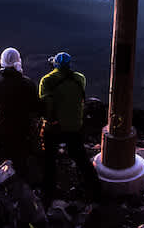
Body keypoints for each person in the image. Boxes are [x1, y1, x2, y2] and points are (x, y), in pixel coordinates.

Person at [38, 51, 101, 206]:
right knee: (80, 157)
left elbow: (45, 106)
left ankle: (48, 192)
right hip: (75, 127)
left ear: (55, 65)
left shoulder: (46, 81)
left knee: (49, 159)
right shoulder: (80, 78)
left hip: (54, 128)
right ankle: (96, 189)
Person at [0, 47, 39, 179]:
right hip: (23, 130)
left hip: (1, 129)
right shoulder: (28, 83)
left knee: (4, 164)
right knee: (21, 163)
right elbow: (37, 108)